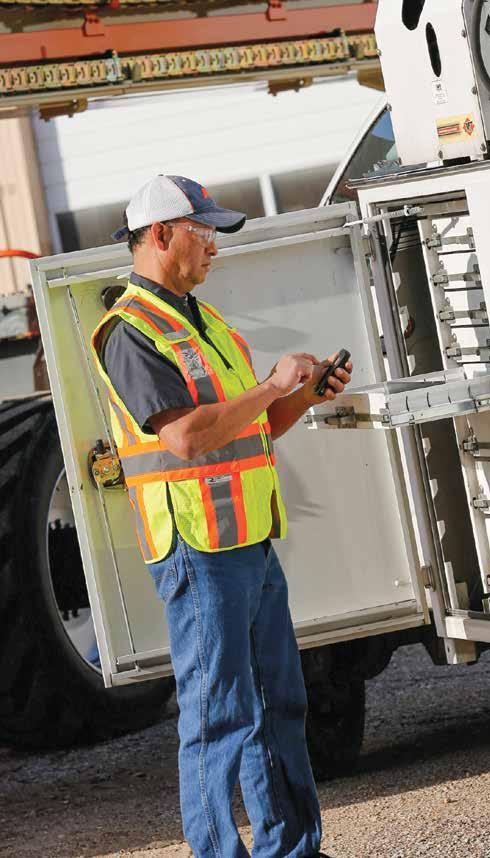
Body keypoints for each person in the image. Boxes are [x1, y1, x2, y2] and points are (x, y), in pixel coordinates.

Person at [90, 175, 350, 858]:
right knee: (217, 716)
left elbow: (252, 432)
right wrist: (271, 384)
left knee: (278, 707)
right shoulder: (130, 331)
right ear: (159, 235)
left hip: (248, 541)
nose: (213, 246)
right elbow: (186, 437)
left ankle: (292, 849)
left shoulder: (207, 326)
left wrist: (305, 395)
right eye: (202, 231)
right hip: (198, 550)